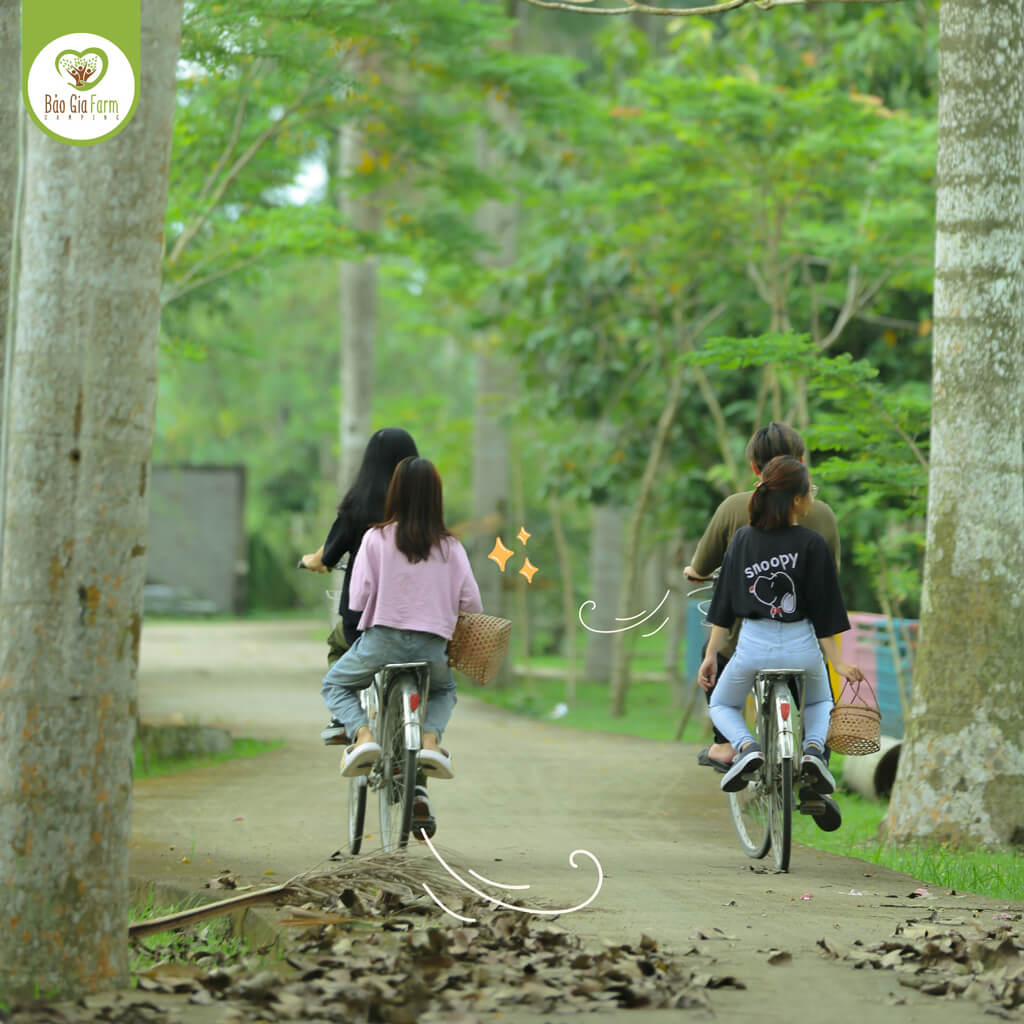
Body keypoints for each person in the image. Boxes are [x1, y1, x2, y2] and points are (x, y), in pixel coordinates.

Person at [320, 457, 482, 808]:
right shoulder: (450, 547)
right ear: (436, 497)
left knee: (335, 683)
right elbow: (472, 603)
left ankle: (363, 736)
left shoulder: (376, 538)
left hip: (383, 641)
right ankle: (429, 743)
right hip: (431, 646)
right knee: (443, 692)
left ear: (394, 493)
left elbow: (359, 597)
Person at [698, 456, 864, 795]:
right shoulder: (813, 544)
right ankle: (814, 752)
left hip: (753, 648)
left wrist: (712, 653)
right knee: (820, 702)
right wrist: (838, 662)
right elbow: (825, 611)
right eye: (810, 491)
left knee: (721, 704)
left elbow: (724, 605)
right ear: (799, 500)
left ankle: (746, 748)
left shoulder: (743, 540)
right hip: (801, 646)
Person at [684, 423, 840, 767]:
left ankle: (727, 745)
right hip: (806, 636)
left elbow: (703, 566)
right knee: (818, 697)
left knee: (714, 654)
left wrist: (694, 573)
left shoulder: (734, 508)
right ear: (801, 462)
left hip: (745, 639)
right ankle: (819, 761)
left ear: (755, 468)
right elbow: (832, 582)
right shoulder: (822, 513)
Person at [300, 427, 419, 743]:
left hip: (365, 621)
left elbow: (327, 556)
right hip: (420, 618)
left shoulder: (358, 507)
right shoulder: (424, 511)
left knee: (339, 645)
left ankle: (343, 718)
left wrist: (311, 560)